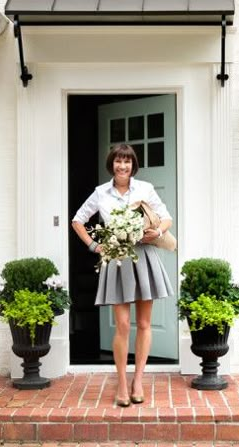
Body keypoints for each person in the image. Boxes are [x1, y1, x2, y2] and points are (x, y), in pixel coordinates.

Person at [72, 144, 174, 406]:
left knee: (143, 324)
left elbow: (166, 218)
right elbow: (78, 220)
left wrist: (158, 233)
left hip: (144, 258)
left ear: (133, 165)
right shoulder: (100, 193)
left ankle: (138, 380)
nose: (123, 166)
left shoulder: (145, 189)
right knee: (121, 326)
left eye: (127, 162)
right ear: (112, 164)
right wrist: (95, 245)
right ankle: (120, 381)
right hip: (117, 260)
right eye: (118, 161)